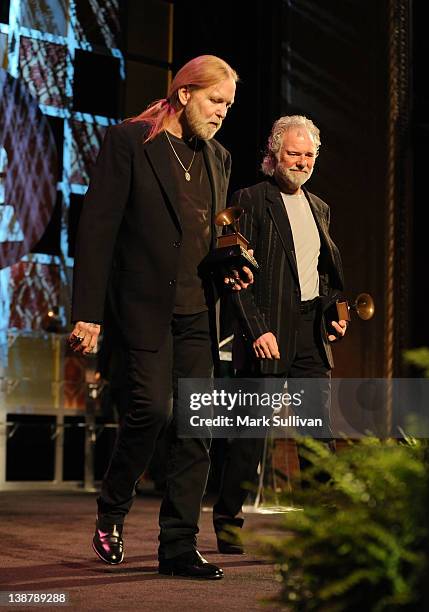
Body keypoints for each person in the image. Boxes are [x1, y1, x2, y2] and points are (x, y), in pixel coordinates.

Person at [69, 55, 251, 579]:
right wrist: (88, 314)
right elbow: (98, 230)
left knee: (198, 426)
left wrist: (231, 264)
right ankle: (113, 507)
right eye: (216, 101)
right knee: (152, 411)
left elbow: (209, 234)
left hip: (198, 308)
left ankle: (177, 545)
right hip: (142, 306)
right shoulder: (131, 142)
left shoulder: (218, 156)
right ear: (186, 93)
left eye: (229, 106)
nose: (222, 113)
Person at [212, 115, 347, 554]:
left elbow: (321, 275)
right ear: (274, 154)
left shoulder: (320, 207)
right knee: (250, 437)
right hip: (267, 332)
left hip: (310, 334)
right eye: (294, 153)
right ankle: (228, 522)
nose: (302, 162)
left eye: (309, 155)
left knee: (316, 438)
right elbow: (237, 275)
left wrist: (332, 312)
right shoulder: (250, 200)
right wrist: (255, 329)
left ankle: (321, 527)